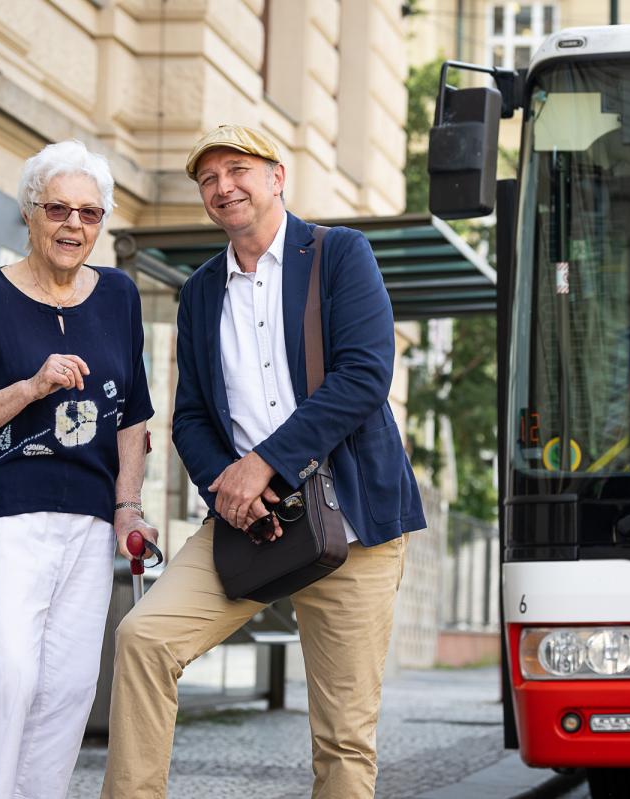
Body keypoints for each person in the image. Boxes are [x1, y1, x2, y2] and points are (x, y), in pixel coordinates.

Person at [100, 124, 425, 799]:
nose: (223, 186)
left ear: (277, 177)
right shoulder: (199, 292)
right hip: (247, 523)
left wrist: (266, 465)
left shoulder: (339, 255)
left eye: (238, 169)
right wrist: (229, 484)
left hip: (353, 523)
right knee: (144, 638)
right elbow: (189, 414)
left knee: (341, 737)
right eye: (209, 178)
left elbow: (365, 375)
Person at [0, 139, 157, 799]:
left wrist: (127, 507)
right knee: (7, 672)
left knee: (68, 685)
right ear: (31, 213)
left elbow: (134, 418)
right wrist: (30, 387)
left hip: (86, 516)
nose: (73, 225)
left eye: (89, 213)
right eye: (58, 208)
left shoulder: (117, 295)